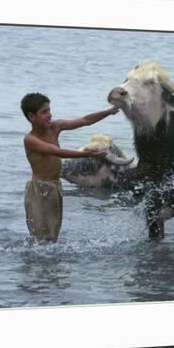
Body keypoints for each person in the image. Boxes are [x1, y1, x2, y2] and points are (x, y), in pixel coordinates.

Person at [20, 92, 120, 241]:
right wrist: (89, 155)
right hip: (38, 190)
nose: (49, 115)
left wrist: (107, 112)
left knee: (52, 238)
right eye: (44, 112)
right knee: (39, 239)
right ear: (31, 116)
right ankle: (35, 264)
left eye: (49, 110)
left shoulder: (55, 127)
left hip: (55, 187)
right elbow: (57, 152)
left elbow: (85, 120)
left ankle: (51, 264)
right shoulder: (30, 139)